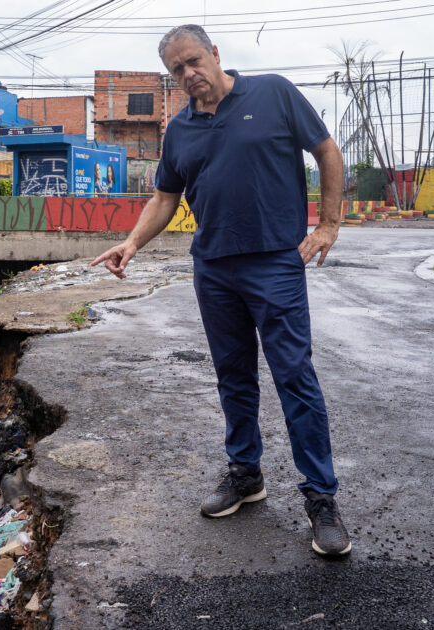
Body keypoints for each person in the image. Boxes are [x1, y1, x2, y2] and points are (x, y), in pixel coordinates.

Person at [91, 24, 350, 556]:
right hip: (213, 268)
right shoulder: (180, 130)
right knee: (233, 378)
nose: (188, 75)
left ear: (214, 54)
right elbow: (165, 197)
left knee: (294, 378)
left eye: (193, 61)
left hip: (275, 263)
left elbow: (327, 151)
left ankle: (321, 498)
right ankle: (245, 474)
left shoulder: (273, 93)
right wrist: (132, 244)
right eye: (176, 71)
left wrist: (327, 225)